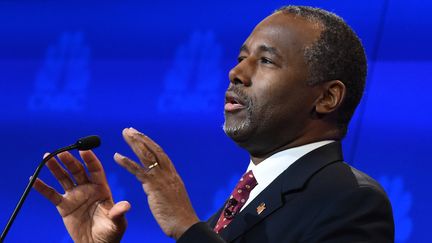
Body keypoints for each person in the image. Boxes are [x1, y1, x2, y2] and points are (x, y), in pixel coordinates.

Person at [33, 5, 394, 243]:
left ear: (327, 97)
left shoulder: (352, 200)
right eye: (241, 57)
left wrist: (188, 229)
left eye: (266, 61)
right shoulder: (238, 206)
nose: (236, 72)